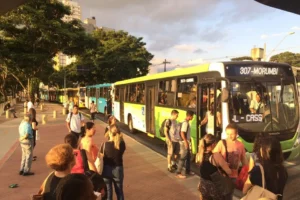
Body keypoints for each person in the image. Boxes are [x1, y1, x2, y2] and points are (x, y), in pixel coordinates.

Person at [197, 134, 232, 200]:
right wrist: (226, 165)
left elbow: (206, 167)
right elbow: (229, 172)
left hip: (203, 185)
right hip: (214, 188)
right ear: (213, 144)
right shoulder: (215, 155)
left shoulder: (199, 155)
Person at [101, 124, 126, 200]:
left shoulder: (104, 145)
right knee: (119, 191)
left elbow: (101, 156)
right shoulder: (121, 144)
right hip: (118, 169)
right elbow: (121, 152)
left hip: (106, 169)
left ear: (109, 133)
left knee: (108, 191)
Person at [176, 110, 195, 179]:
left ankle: (188, 171)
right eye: (192, 116)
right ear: (189, 116)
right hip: (184, 142)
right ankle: (178, 172)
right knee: (183, 157)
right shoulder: (185, 123)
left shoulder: (184, 122)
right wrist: (186, 142)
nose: (192, 117)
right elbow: (182, 133)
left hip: (185, 141)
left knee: (188, 157)